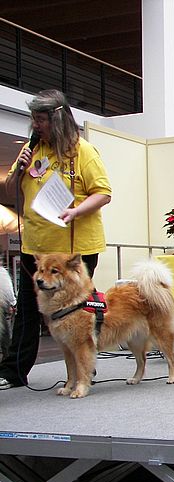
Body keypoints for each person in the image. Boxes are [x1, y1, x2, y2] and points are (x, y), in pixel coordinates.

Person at [0, 89, 112, 390]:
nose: (36, 125)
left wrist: (76, 211)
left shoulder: (83, 151)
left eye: (41, 119)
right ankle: (13, 371)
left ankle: (85, 366)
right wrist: (19, 169)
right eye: (34, 119)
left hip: (74, 251)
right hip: (37, 247)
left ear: (58, 120)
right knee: (27, 311)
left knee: (79, 311)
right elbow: (11, 190)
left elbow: (103, 193)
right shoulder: (32, 149)